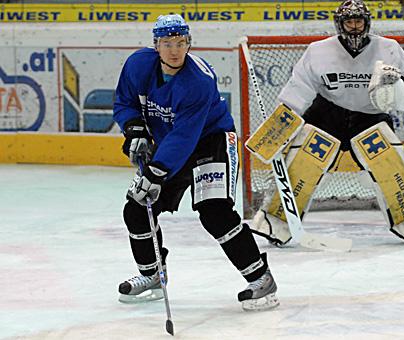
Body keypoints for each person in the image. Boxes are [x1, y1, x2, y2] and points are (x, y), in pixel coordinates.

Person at [112, 14, 279, 311]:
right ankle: (152, 274)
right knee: (137, 209)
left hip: (211, 141)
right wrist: (133, 128)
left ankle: (260, 277)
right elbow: (124, 102)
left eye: (180, 43)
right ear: (156, 45)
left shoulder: (198, 80)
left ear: (189, 43)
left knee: (214, 212)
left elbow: (185, 136)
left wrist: (156, 172)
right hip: (170, 145)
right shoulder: (138, 65)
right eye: (167, 43)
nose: (174, 50)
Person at [251, 0, 404, 245]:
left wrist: (399, 87)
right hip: (327, 114)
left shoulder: (389, 49)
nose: (354, 27)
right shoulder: (318, 50)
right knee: (303, 160)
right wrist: (278, 132)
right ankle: (274, 220)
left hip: (370, 116)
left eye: (358, 21)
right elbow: (297, 91)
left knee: (389, 159)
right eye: (349, 22)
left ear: (367, 22)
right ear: (339, 24)